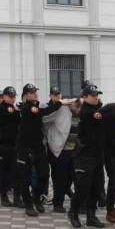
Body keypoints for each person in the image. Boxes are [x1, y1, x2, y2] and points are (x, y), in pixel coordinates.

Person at [68, 84, 115, 228]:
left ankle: (91, 216)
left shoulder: (96, 109)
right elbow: (106, 116)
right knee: (82, 188)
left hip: (96, 155)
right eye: (93, 95)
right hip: (84, 157)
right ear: (84, 97)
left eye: (97, 95)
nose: (96, 97)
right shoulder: (88, 111)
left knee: (96, 188)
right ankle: (73, 212)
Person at [15, 83, 68, 216]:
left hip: (38, 147)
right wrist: (59, 103)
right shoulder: (28, 108)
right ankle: (28, 205)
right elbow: (44, 112)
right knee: (26, 179)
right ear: (25, 95)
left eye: (35, 91)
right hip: (26, 148)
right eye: (32, 92)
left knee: (44, 174)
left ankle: (36, 197)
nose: (35, 94)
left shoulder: (35, 106)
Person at [43, 86, 79, 214]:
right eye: (76, 106)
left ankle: (69, 195)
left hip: (73, 150)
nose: (78, 109)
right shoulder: (61, 109)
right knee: (60, 178)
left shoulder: (79, 112)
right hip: (60, 149)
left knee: (72, 176)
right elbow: (45, 119)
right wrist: (50, 134)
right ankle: (58, 203)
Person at [0, 86, 22, 208]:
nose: (12, 99)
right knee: (3, 172)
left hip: (14, 145)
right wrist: (17, 111)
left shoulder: (13, 108)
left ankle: (17, 197)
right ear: (4, 97)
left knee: (16, 172)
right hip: (3, 146)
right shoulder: (3, 108)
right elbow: (13, 116)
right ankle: (4, 196)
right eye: (10, 97)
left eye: (14, 96)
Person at [100, 100, 115, 224]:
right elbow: (102, 119)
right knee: (114, 181)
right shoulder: (113, 108)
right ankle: (110, 210)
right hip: (111, 152)